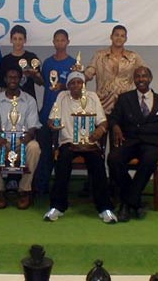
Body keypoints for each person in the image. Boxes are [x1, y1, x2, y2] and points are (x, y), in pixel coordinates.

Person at [43, 72, 116, 223]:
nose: (76, 86)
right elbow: (51, 120)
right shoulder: (62, 97)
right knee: (62, 165)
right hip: (68, 142)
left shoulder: (92, 97)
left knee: (98, 165)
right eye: (73, 83)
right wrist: (53, 125)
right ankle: (57, 207)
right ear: (68, 85)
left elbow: (103, 122)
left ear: (84, 85)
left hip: (89, 143)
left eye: (79, 83)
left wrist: (99, 131)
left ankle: (105, 208)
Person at [107, 66, 158, 222]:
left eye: (144, 76)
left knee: (149, 160)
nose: (141, 79)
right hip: (130, 141)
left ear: (150, 78)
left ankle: (126, 203)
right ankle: (136, 201)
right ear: (134, 79)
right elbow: (113, 118)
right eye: (138, 76)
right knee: (113, 158)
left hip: (152, 144)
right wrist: (115, 127)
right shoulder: (124, 98)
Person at [0, 67, 41, 209]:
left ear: (21, 80)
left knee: (35, 148)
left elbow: (33, 126)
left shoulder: (29, 100)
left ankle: (24, 189)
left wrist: (28, 137)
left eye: (16, 77)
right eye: (10, 77)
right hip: (2, 140)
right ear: (5, 79)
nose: (13, 80)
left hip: (23, 139)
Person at [34, 29, 76, 193]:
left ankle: (61, 187)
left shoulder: (73, 63)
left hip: (65, 115)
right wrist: (33, 75)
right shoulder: (48, 62)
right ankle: (41, 187)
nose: (59, 43)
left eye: (62, 40)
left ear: (67, 42)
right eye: (57, 40)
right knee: (45, 152)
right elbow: (43, 83)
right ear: (53, 42)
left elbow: (78, 87)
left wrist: (63, 87)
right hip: (46, 113)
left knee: (63, 152)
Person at [85, 25, 146, 115]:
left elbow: (145, 74)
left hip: (126, 104)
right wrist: (78, 76)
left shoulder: (133, 57)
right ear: (111, 37)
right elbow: (88, 74)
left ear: (126, 39)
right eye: (116, 35)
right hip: (103, 103)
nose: (119, 38)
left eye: (122, 36)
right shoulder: (99, 55)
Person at [0, 25, 43, 100]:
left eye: (20, 39)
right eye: (15, 39)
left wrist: (33, 75)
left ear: (25, 40)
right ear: (11, 40)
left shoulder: (32, 58)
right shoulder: (5, 60)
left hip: (29, 101)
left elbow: (40, 83)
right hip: (10, 101)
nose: (17, 42)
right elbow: (2, 86)